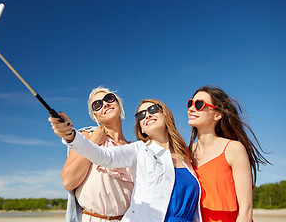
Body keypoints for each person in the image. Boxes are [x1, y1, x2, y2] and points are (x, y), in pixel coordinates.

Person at [49, 99, 202, 222]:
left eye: (153, 109)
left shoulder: (188, 157)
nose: (147, 115)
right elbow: (103, 156)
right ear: (141, 128)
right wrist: (71, 135)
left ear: (166, 115)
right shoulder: (139, 150)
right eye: (140, 115)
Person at [186, 86, 271, 222]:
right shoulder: (185, 153)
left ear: (217, 114)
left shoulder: (233, 149)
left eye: (199, 104)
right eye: (190, 103)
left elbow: (246, 209)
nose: (191, 108)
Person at [61, 87, 134, 222]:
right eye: (97, 105)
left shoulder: (134, 149)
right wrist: (93, 143)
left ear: (119, 104)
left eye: (109, 98)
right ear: (95, 116)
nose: (105, 104)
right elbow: (68, 181)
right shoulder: (86, 138)